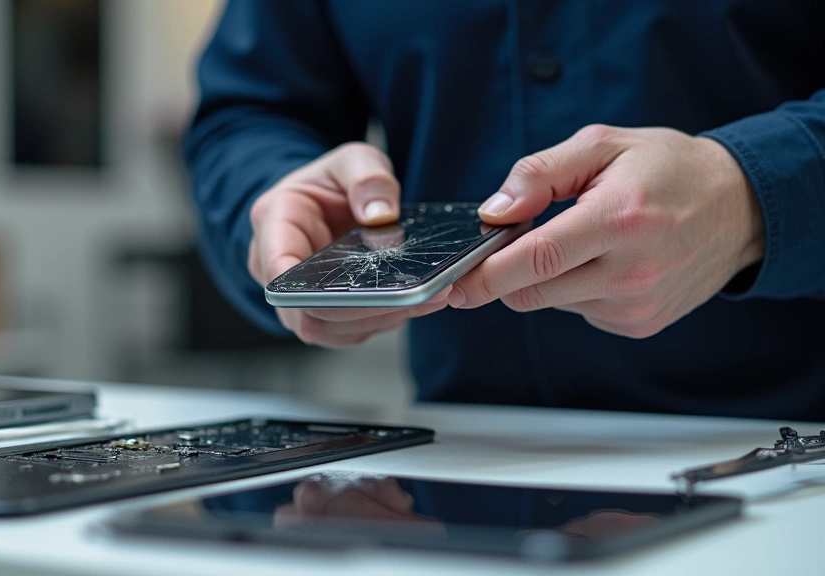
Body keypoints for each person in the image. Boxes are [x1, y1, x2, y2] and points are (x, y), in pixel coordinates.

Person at [185, 1, 825, 420]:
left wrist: (749, 196)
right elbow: (253, 111)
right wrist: (269, 199)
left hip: (790, 458)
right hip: (456, 473)